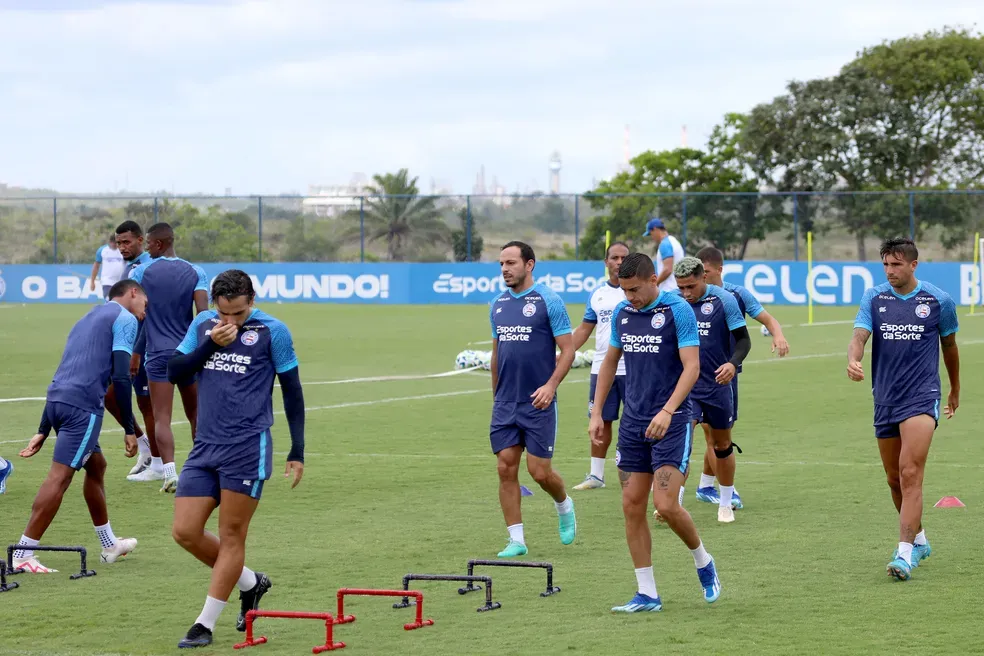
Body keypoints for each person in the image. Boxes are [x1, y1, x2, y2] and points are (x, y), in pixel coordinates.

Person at [166, 269, 305, 648]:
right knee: (185, 532)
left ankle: (204, 625)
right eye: (224, 313)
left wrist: (297, 450)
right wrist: (211, 343)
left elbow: (292, 391)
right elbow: (174, 371)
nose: (230, 321)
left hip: (247, 447)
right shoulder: (202, 324)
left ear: (252, 301)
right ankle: (250, 582)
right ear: (214, 305)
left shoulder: (273, 331)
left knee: (231, 536)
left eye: (239, 314)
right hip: (205, 447)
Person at [591, 252, 720, 612]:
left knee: (665, 505)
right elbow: (609, 363)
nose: (629, 297)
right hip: (633, 423)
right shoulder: (623, 313)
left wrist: (668, 410)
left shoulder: (677, 311)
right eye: (623, 290)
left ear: (652, 280)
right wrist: (597, 412)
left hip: (672, 422)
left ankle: (703, 561)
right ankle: (647, 593)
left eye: (634, 290)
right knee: (632, 507)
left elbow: (692, 368)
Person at [10, 279, 146, 573]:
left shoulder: (87, 318)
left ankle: (110, 544)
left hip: (59, 401)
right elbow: (122, 378)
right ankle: (22, 553)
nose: (143, 313)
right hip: (83, 408)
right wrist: (129, 428)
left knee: (96, 466)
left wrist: (44, 428)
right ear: (133, 293)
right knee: (60, 477)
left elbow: (65, 368)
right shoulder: (124, 319)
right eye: (144, 305)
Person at [847, 237, 960, 581]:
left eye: (896, 265)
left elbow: (950, 347)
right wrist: (853, 357)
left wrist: (955, 389)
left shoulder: (939, 301)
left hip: (922, 397)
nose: (890, 271)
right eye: (885, 265)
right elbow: (859, 335)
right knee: (894, 479)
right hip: (885, 397)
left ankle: (904, 554)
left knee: (910, 472)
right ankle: (920, 540)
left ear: (913, 265)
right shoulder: (875, 297)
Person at [489, 241, 577, 558]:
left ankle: (564, 504)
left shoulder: (548, 301)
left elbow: (568, 350)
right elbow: (497, 353)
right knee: (505, 468)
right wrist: (496, 395)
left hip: (538, 402)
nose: (504, 269)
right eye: (501, 264)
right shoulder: (497, 304)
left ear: (529, 265)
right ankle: (517, 540)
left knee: (539, 473)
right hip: (505, 403)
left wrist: (551, 386)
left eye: (511, 263)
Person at [693, 246, 789, 507]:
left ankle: (705, 486)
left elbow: (767, 318)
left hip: (726, 376)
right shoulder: (691, 295)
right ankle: (727, 491)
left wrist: (778, 335)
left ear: (720, 270)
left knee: (719, 437)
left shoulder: (735, 294)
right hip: (694, 378)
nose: (702, 278)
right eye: (699, 272)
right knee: (711, 436)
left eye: (708, 272)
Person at [130, 223, 209, 492]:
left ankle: (170, 473)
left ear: (160, 244)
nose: (147, 249)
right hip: (187, 353)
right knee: (196, 413)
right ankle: (202, 470)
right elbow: (203, 314)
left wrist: (136, 351)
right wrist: (198, 349)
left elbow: (139, 317)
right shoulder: (196, 271)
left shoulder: (141, 272)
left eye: (149, 244)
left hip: (158, 354)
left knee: (161, 417)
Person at [674, 257, 751, 523]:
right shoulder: (673, 302)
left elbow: (743, 340)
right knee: (681, 446)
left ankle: (726, 503)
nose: (686, 293)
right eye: (681, 287)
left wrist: (732, 363)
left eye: (690, 287)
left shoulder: (724, 300)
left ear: (704, 278)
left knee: (722, 445)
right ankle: (673, 503)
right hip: (687, 389)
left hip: (717, 386)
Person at [571, 241, 630, 490]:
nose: (618, 262)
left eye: (623, 258)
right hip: (601, 369)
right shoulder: (598, 294)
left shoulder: (638, 292)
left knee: (638, 421)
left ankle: (643, 472)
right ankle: (596, 475)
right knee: (600, 421)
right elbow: (585, 329)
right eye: (614, 258)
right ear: (606, 262)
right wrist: (564, 353)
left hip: (635, 369)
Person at [108, 220, 158, 479]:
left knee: (148, 405)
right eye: (118, 243)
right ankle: (145, 444)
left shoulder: (147, 267)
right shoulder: (131, 267)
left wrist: (137, 351)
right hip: (126, 342)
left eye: (127, 242)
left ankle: (158, 461)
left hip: (145, 346)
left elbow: (145, 313)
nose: (122, 247)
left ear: (141, 240)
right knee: (109, 393)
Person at [642, 217, 685, 293]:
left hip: (670, 290)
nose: (652, 237)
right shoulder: (674, 241)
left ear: (655, 229)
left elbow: (667, 269)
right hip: (679, 288)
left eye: (651, 234)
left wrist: (654, 284)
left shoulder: (665, 244)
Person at [90, 234, 126, 301]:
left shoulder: (123, 250)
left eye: (117, 243)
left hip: (121, 281)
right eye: (113, 243)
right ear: (109, 242)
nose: (115, 245)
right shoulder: (102, 250)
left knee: (121, 303)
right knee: (109, 300)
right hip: (107, 281)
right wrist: (92, 281)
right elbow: (96, 266)